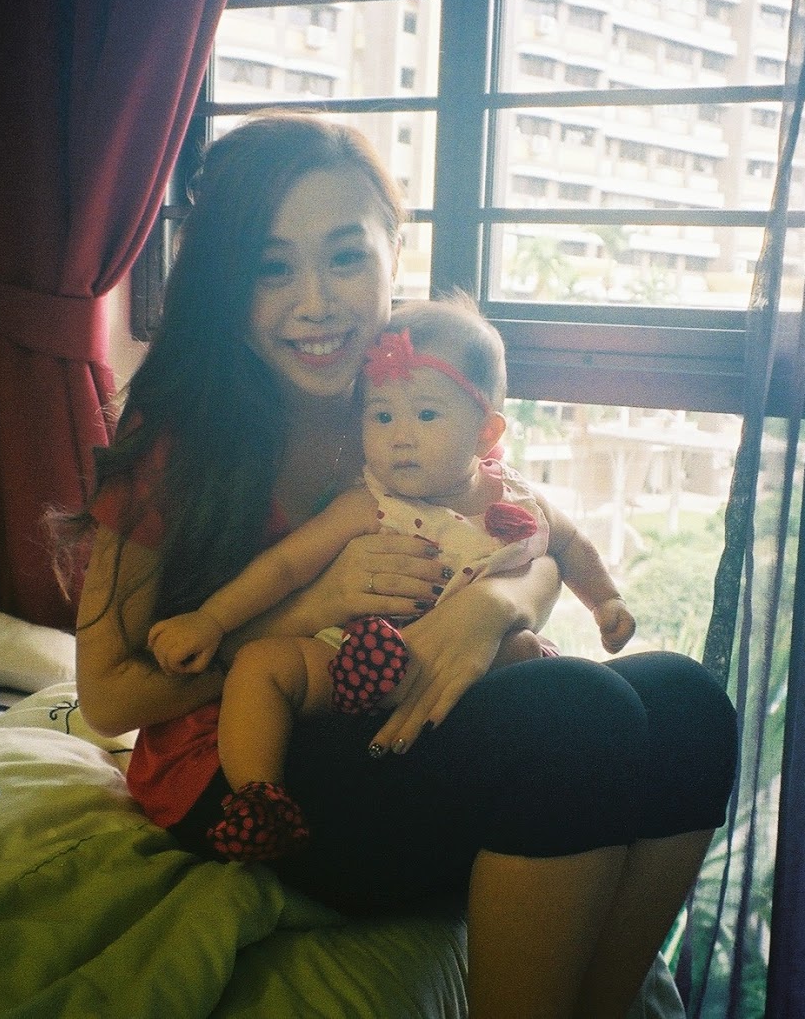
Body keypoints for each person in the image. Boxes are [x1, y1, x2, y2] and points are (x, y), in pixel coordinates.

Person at [71, 112, 736, 1019]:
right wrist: (314, 604)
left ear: (395, 250)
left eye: (345, 257)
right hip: (241, 764)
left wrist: (497, 605)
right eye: (272, 268)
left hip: (387, 709)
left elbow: (521, 523)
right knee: (578, 713)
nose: (315, 302)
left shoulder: (409, 395)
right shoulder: (178, 437)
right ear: (228, 282)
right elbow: (108, 696)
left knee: (690, 705)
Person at [146, 295, 639, 862]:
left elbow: (572, 547)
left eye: (426, 415)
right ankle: (260, 801)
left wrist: (606, 603)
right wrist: (211, 621)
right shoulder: (368, 503)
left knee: (527, 655)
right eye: (381, 416)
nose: (400, 435)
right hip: (353, 662)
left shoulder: (522, 500)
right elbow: (286, 566)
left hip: (459, 685)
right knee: (260, 667)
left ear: (485, 431)